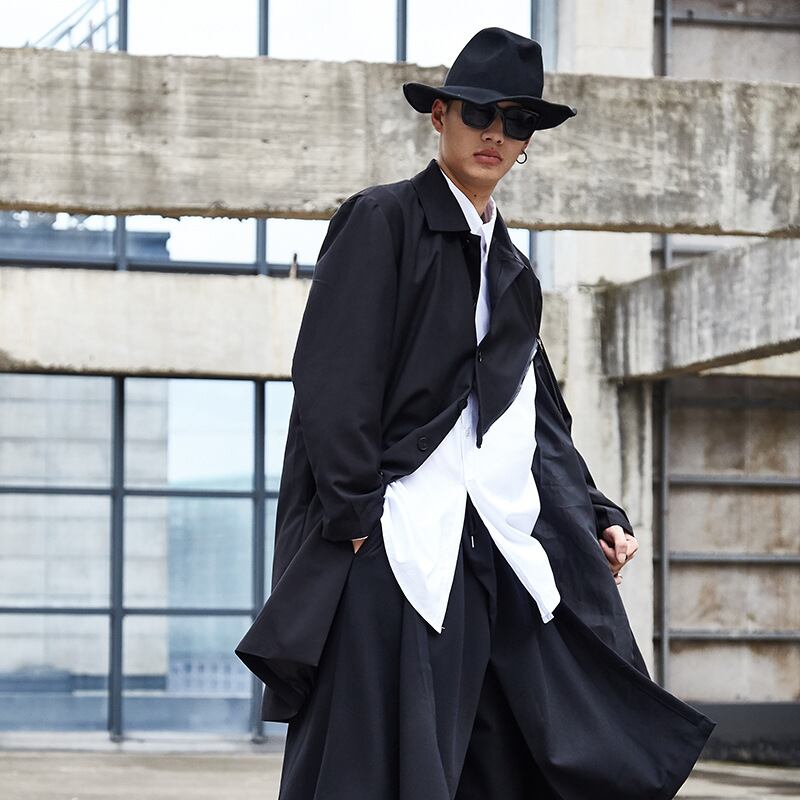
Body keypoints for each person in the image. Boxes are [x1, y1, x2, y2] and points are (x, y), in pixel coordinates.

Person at [236, 27, 715, 799]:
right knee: (366, 767)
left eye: (516, 121)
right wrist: (357, 518)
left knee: (509, 763)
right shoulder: (382, 220)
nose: (496, 133)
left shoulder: (512, 268)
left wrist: (595, 510)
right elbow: (332, 379)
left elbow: (534, 413)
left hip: (492, 550)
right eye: (479, 113)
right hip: (394, 548)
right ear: (440, 117)